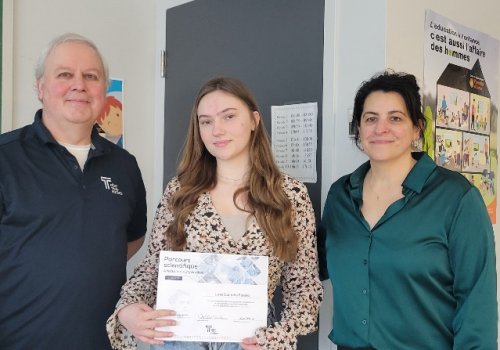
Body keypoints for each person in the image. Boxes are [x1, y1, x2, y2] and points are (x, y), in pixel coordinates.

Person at [106, 77, 323, 350]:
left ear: (254, 121)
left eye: (229, 117)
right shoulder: (181, 191)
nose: (216, 130)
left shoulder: (289, 195)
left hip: (251, 343)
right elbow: (153, 268)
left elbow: (304, 286)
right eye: (206, 121)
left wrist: (279, 337)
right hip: (180, 342)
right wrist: (128, 307)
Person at [321, 71, 497, 349]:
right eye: (370, 119)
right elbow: (309, 265)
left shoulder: (457, 198)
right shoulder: (340, 196)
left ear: (417, 128)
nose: (381, 129)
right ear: (358, 129)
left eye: (395, 118)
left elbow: (477, 305)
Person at [0, 33, 147, 349]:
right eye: (65, 74)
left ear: (104, 91)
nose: (79, 85)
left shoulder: (125, 166)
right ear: (41, 88)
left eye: (90, 76)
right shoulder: (5, 158)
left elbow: (133, 237)